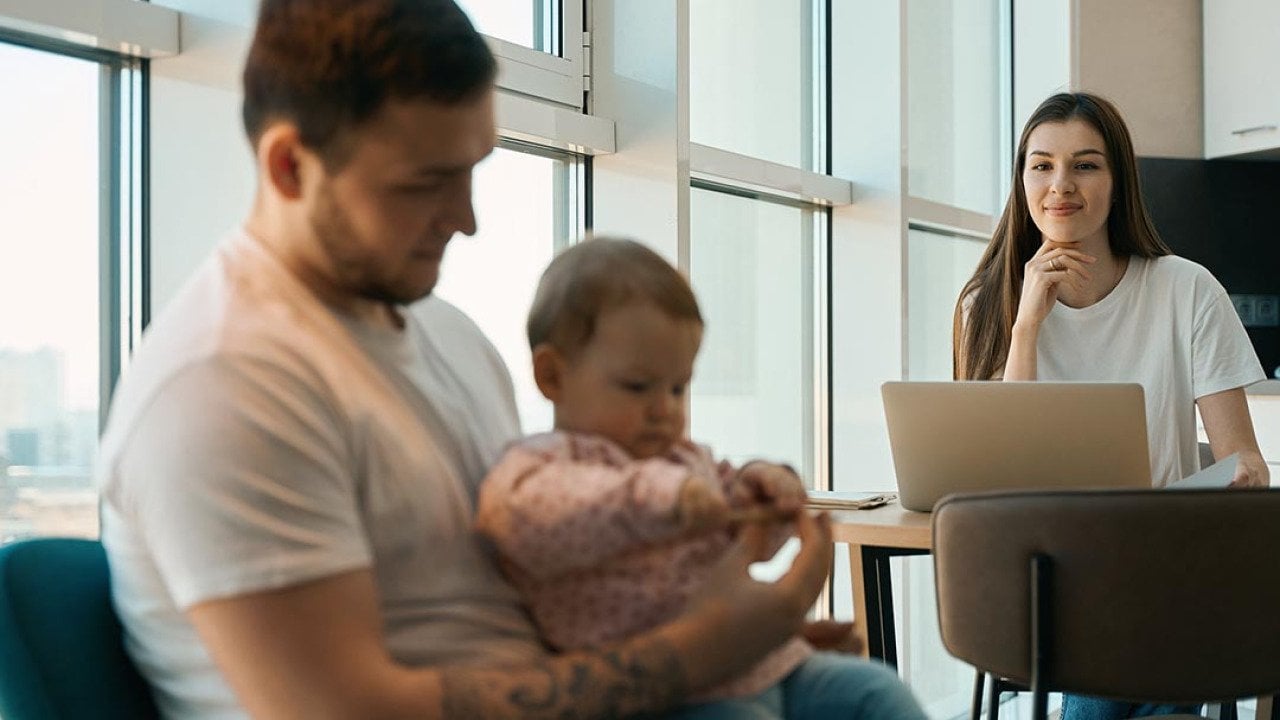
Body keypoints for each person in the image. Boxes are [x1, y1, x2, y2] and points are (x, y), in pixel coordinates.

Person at [97, 1, 853, 717]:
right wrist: (696, 653)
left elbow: (533, 586)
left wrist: (747, 648)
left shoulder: (449, 337)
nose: (467, 219)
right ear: (291, 167)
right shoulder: (226, 384)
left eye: (472, 170)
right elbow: (346, 712)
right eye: (425, 184)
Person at [474, 238, 926, 720]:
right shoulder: (541, 466)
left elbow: (751, 539)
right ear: (552, 377)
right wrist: (665, 498)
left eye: (678, 387)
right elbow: (535, 524)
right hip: (668, 697)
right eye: (638, 386)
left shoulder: (685, 460)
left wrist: (767, 492)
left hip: (766, 666)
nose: (665, 409)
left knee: (877, 692)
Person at [952, 92, 1269, 719]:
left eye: (1086, 165)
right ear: (1021, 182)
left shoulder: (1185, 289)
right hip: (1039, 575)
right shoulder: (987, 305)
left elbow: (1244, 461)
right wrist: (1026, 330)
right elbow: (997, 476)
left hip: (1160, 567)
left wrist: (1243, 477)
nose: (1060, 185)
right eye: (1041, 165)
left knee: (1145, 620)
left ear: (1118, 181)